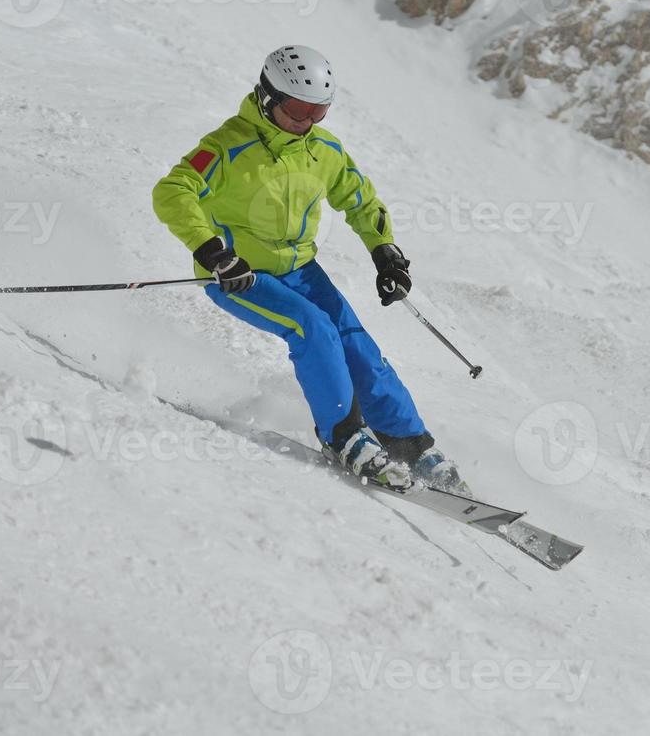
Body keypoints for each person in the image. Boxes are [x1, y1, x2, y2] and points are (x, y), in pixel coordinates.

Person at [152, 44, 462, 492]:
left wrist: (384, 251)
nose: (306, 122)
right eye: (298, 108)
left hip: (301, 268)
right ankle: (343, 437)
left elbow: (361, 201)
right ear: (267, 96)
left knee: (356, 343)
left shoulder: (323, 150)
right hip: (242, 275)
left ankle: (408, 443)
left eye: (319, 111)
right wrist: (212, 252)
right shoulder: (227, 146)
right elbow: (172, 191)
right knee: (312, 328)